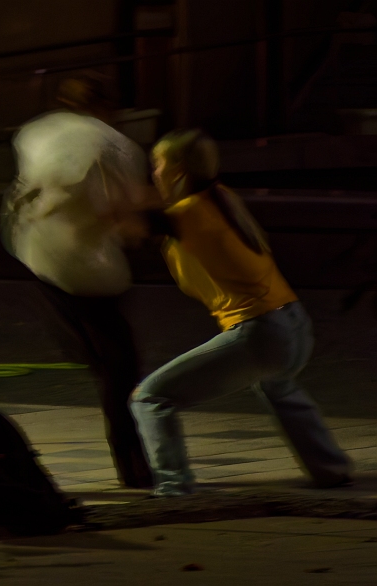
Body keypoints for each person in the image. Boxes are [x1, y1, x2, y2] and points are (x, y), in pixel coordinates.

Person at [129, 129, 352, 498]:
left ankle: (173, 487)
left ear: (179, 168)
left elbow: (133, 222)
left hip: (261, 333)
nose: (153, 172)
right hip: (295, 324)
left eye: (158, 163)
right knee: (278, 385)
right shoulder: (221, 199)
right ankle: (331, 469)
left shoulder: (188, 213)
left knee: (150, 398)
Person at [1, 76, 155, 489]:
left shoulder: (36, 132)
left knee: (104, 358)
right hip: (88, 269)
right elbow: (121, 213)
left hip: (37, 254)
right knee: (120, 367)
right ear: (109, 107)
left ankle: (132, 459)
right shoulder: (116, 145)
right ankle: (134, 466)